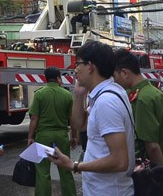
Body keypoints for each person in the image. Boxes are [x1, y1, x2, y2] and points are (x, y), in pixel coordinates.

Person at [48, 41, 134, 195]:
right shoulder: (107, 92)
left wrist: (75, 165)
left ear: (90, 66)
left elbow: (120, 161)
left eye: (77, 63)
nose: (75, 69)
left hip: (108, 191)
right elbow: (79, 125)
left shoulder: (106, 102)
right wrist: (78, 95)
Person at [113, 49, 163, 168]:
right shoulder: (155, 93)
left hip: (147, 170)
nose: (114, 81)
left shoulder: (141, 100)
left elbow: (153, 147)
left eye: (115, 76)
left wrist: (158, 176)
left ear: (124, 73)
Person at [28, 66, 76, 196]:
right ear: (58, 78)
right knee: (66, 169)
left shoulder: (39, 94)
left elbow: (34, 118)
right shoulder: (67, 95)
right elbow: (72, 119)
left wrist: (30, 137)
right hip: (61, 135)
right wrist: (74, 137)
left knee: (42, 171)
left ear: (45, 78)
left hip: (43, 135)